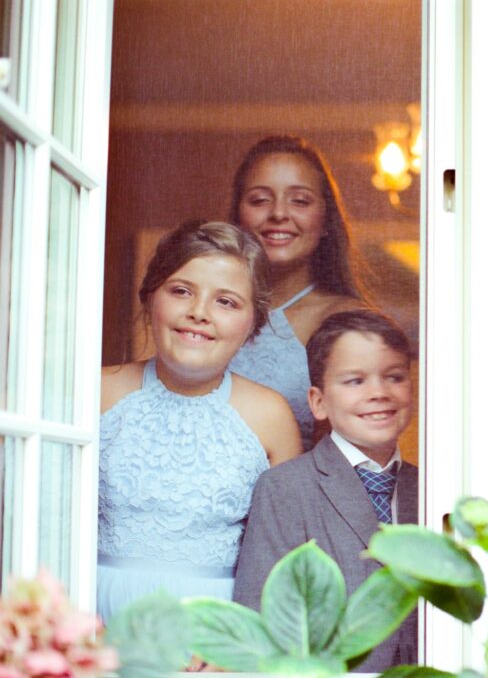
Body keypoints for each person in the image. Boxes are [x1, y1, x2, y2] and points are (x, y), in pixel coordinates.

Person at [98, 220, 302, 622]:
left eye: (226, 302)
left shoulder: (271, 416)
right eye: (181, 291)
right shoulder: (96, 392)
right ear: (150, 297)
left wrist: (239, 638)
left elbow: (284, 557)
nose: (198, 313)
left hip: (216, 637)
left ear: (252, 325)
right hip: (93, 624)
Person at [233, 309, 418, 672]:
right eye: (355, 381)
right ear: (318, 402)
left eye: (394, 377)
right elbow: (262, 617)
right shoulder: (286, 488)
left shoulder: (432, 489)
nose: (378, 392)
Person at [228, 135, 368, 449]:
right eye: (260, 199)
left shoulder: (348, 321)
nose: (278, 213)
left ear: (326, 220)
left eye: (300, 201)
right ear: (238, 216)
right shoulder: (208, 308)